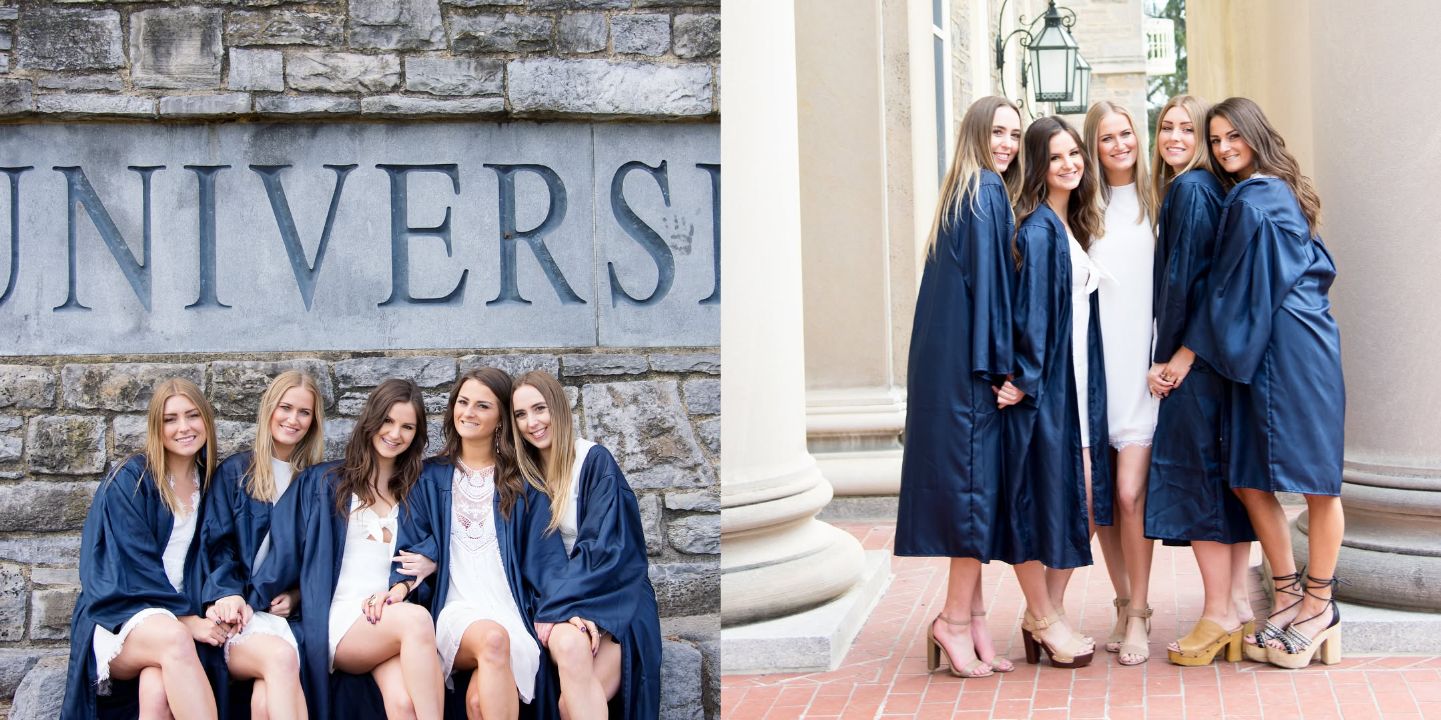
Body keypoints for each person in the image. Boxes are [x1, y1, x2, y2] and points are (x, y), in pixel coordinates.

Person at [1188, 97, 1345, 668]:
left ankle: (1319, 605)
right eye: (1217, 140)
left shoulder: (1258, 197)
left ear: (1257, 136)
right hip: (1265, 350)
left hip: (1299, 350)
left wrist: (1185, 353)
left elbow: (1225, 288)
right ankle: (1286, 594)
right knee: (1249, 478)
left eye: (1234, 137)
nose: (1225, 148)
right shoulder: (1258, 194)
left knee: (1319, 483)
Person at [894, 95, 1025, 678]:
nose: (1006, 144)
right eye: (997, 132)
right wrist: (1004, 370)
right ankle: (950, 620)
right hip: (969, 372)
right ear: (975, 133)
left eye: (1014, 136)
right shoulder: (985, 192)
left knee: (973, 495)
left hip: (945, 366)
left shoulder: (961, 193)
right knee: (975, 496)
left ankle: (974, 620)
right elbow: (992, 293)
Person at [1143, 95, 1258, 667]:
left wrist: (1171, 358)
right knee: (1225, 480)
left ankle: (1216, 613)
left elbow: (1189, 283)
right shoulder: (1210, 189)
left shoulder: (1189, 190)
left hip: (1196, 363)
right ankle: (1235, 603)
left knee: (1199, 481)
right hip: (1221, 362)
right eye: (1168, 126)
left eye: (1191, 129)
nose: (1178, 137)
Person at [253, 378, 445, 718]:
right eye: (387, 421)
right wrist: (255, 601)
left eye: (407, 426)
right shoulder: (326, 483)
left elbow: (438, 543)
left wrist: (425, 564)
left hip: (385, 618)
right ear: (370, 421)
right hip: (342, 618)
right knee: (416, 620)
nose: (395, 433)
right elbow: (286, 550)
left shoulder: (415, 493)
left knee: (403, 703)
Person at [392, 367, 568, 719]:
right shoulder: (428, 478)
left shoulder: (524, 486)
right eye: (463, 402)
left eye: (482, 406)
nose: (468, 413)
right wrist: (431, 557)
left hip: (509, 612)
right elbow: (411, 543)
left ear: (501, 418)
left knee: (477, 701)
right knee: (492, 640)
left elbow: (547, 562)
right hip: (456, 608)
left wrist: (565, 613)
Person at [1006, 115, 1108, 669]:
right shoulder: (1040, 229)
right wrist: (1024, 379)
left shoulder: (1068, 226)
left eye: (1074, 154)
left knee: (1086, 503)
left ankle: (1045, 613)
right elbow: (1033, 315)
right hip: (1047, 392)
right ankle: (1044, 617)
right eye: (1056, 157)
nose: (1070, 164)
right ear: (1038, 167)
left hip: (1078, 386)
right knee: (1041, 503)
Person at [63, 378, 226, 719]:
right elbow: (132, 565)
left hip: (177, 621)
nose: (184, 427)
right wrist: (186, 619)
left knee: (157, 685)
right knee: (173, 638)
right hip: (120, 616)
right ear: (157, 426)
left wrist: (224, 599)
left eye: (193, 416)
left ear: (206, 422)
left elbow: (221, 551)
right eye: (171, 419)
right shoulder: (131, 480)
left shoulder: (211, 483)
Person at [512, 370, 660, 719]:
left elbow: (609, 547)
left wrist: (566, 606)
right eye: (521, 414)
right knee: (567, 654)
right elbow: (534, 559)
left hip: (614, 595)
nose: (532, 422)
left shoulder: (593, 462)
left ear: (559, 409)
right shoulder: (525, 476)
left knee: (570, 704)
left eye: (540, 409)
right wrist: (561, 608)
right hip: (559, 600)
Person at [1073, 100, 1160, 665]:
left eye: (1125, 134)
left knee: (1131, 495)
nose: (1119, 145)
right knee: (1102, 501)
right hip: (1096, 371)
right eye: (1106, 138)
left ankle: (1140, 615)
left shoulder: (1162, 203)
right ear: (1092, 146)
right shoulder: (1083, 211)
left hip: (1146, 371)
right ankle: (1123, 598)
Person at [201, 371, 322, 718]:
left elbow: (320, 558)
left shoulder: (316, 481)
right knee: (279, 662)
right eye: (285, 408)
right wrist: (228, 594)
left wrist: (298, 595)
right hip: (239, 615)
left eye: (304, 412)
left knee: (265, 700)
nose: (293, 420)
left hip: (288, 620)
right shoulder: (236, 473)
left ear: (314, 421)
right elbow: (217, 545)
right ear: (269, 409)